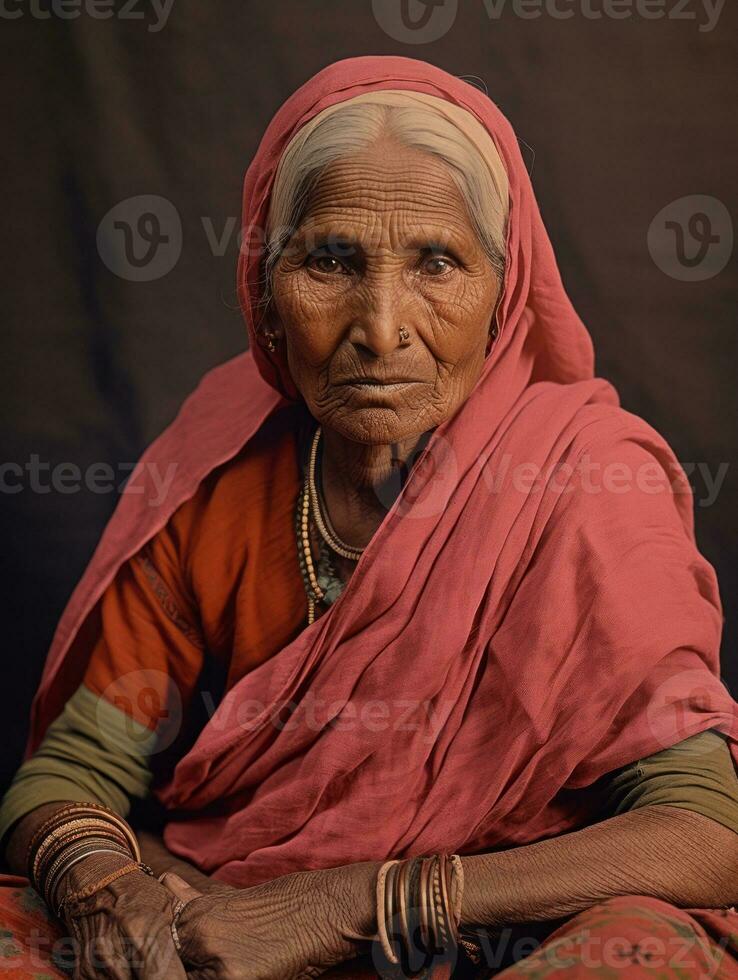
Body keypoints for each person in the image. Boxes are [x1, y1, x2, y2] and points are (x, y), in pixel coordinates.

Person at [1, 56, 738, 980]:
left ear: (502, 294)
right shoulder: (218, 475)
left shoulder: (585, 483)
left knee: (644, 952)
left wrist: (361, 902)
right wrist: (111, 889)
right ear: (265, 296)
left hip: (507, 933)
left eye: (437, 262)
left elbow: (707, 835)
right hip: (233, 923)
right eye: (331, 262)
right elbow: (72, 776)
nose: (382, 326)